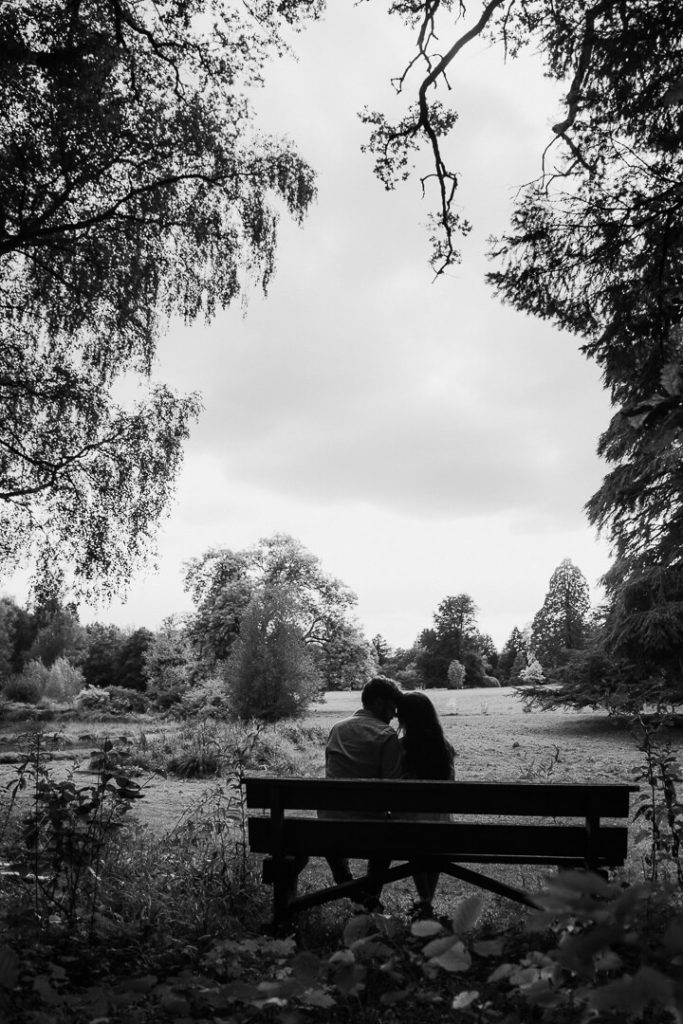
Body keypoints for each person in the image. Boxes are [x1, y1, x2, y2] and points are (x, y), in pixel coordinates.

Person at [289, 676, 403, 909]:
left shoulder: (337, 729)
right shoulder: (386, 736)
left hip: (331, 824)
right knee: (388, 832)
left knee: (332, 818)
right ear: (379, 703)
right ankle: (368, 898)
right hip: (370, 827)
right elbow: (394, 788)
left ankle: (349, 886)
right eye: (392, 707)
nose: (393, 715)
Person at [396, 690, 455, 919]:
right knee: (431, 837)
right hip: (441, 825)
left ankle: (425, 901)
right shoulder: (444, 747)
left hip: (410, 827)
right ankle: (427, 901)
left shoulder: (401, 747)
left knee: (416, 838)